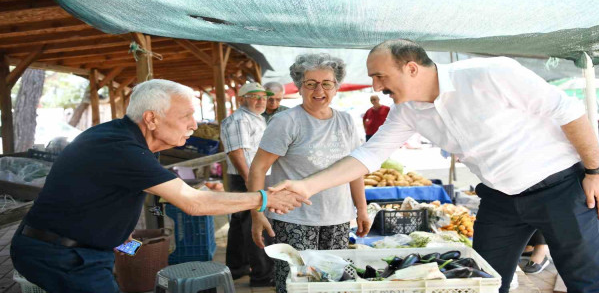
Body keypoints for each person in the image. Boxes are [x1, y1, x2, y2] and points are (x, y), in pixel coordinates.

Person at [273, 39, 599, 293]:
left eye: (379, 76)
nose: (375, 86)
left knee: (587, 282)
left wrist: (594, 171)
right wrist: (306, 186)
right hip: (499, 200)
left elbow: (569, 112)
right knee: (479, 279)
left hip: (561, 190)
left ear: (411, 68)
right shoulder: (406, 111)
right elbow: (368, 156)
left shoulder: (491, 73)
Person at [11, 79, 306, 293]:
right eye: (186, 116)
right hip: (63, 254)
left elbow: (137, 194)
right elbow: (194, 204)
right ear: (151, 118)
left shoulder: (123, 139)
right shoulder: (123, 148)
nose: (194, 124)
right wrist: (264, 198)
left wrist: (126, 243)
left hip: (79, 248)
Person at [248, 53, 370, 293]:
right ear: (299, 86)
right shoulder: (286, 121)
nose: (319, 90)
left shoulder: (346, 121)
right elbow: (258, 167)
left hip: (338, 217)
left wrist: (362, 209)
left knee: (333, 283)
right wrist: (257, 213)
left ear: (336, 87)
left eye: (326, 83)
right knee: (297, 284)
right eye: (310, 83)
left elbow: (355, 168)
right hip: (295, 219)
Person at [220, 82, 276, 287]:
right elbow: (237, 152)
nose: (261, 100)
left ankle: (237, 267)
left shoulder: (255, 118)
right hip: (248, 177)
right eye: (255, 96)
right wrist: (249, 180)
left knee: (240, 223)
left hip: (251, 176)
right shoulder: (239, 120)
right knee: (256, 222)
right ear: (241, 99)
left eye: (263, 96)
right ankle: (262, 275)